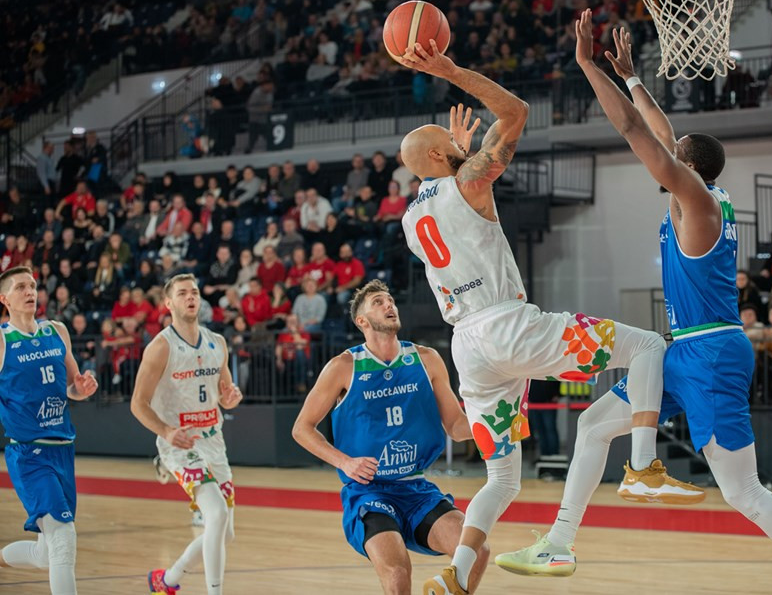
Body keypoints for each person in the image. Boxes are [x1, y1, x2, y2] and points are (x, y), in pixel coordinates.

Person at [496, 15, 772, 595]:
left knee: (743, 491)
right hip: (683, 350)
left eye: (676, 153)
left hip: (713, 353)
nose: (667, 149)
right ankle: (559, 543)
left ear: (686, 168)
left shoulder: (696, 201)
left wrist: (587, 64)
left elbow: (632, 129)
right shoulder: (699, 191)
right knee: (593, 425)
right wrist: (632, 77)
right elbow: (659, 130)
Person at [397, 31, 679, 595]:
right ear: (438, 157)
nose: (457, 141)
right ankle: (643, 465)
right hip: (508, 326)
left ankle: (455, 574)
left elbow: (452, 185)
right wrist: (451, 72)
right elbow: (516, 112)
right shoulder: (467, 182)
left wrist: (454, 153)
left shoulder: (410, 218)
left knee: (502, 479)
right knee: (648, 345)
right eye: (446, 141)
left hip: (468, 349)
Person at [292, 281, 490, 594]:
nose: (389, 305)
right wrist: (345, 462)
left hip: (416, 489)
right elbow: (302, 428)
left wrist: (492, 422)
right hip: (368, 492)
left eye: (390, 300)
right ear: (361, 321)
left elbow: (455, 426)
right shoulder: (343, 367)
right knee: (398, 573)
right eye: (378, 302)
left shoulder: (426, 359)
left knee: (477, 552)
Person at [131, 273, 243, 595]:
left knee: (225, 533)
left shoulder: (217, 342)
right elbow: (138, 404)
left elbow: (225, 394)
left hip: (214, 441)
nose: (190, 297)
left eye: (194, 292)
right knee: (216, 514)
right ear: (168, 303)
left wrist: (230, 398)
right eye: (182, 293)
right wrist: (166, 432)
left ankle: (166, 580)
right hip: (180, 445)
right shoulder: (160, 347)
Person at [0, 266, 98, 595]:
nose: (30, 292)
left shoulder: (56, 330)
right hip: (29, 453)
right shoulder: (2, 340)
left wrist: (81, 389)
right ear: (4, 299)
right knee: (63, 539)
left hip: (63, 449)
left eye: (32, 285)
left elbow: (72, 386)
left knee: (46, 554)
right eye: (20, 287)